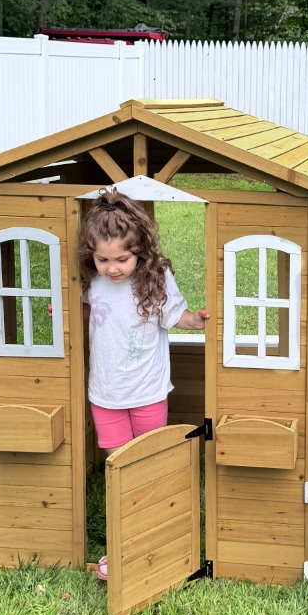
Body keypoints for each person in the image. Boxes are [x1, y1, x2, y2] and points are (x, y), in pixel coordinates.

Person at [77, 189, 209, 580]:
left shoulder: (154, 279)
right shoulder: (91, 280)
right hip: (105, 395)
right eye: (103, 259)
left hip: (148, 392)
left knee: (150, 465)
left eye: (122, 258)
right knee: (119, 470)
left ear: (141, 250)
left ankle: (154, 539)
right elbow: (83, 309)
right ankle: (121, 546)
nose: (113, 267)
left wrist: (197, 320)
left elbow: (175, 317)